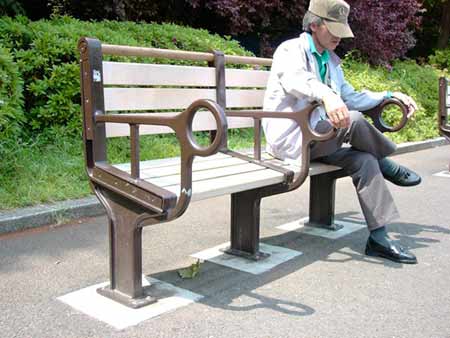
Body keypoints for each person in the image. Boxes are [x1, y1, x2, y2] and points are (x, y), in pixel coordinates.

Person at [262, 0, 421, 264]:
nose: (339, 35)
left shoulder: (332, 61)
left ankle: (379, 238)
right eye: (333, 28)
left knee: (364, 160)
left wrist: (391, 94)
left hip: (321, 138)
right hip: (292, 138)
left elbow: (351, 97)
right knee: (354, 121)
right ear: (314, 25)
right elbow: (296, 81)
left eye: (342, 28)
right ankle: (387, 164)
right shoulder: (290, 50)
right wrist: (326, 95)